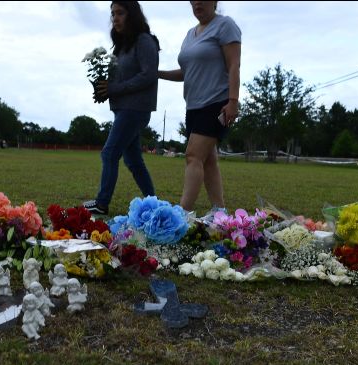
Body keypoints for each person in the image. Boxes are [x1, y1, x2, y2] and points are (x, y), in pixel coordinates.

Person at [158, 1, 241, 213]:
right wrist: (157, 74)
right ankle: (219, 213)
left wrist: (233, 101)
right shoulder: (190, 34)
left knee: (193, 156)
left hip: (216, 103)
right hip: (193, 106)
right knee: (208, 161)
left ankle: (181, 214)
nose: (197, 2)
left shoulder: (225, 25)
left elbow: (234, 65)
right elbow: (186, 73)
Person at [83, 1, 160, 216]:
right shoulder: (123, 45)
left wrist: (115, 88)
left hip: (135, 109)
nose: (115, 18)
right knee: (133, 160)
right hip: (123, 108)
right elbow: (122, 76)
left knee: (109, 153)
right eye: (113, 14)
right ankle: (154, 202)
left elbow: (148, 75)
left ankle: (102, 203)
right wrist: (104, 88)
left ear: (132, 15)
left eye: (120, 13)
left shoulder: (144, 41)